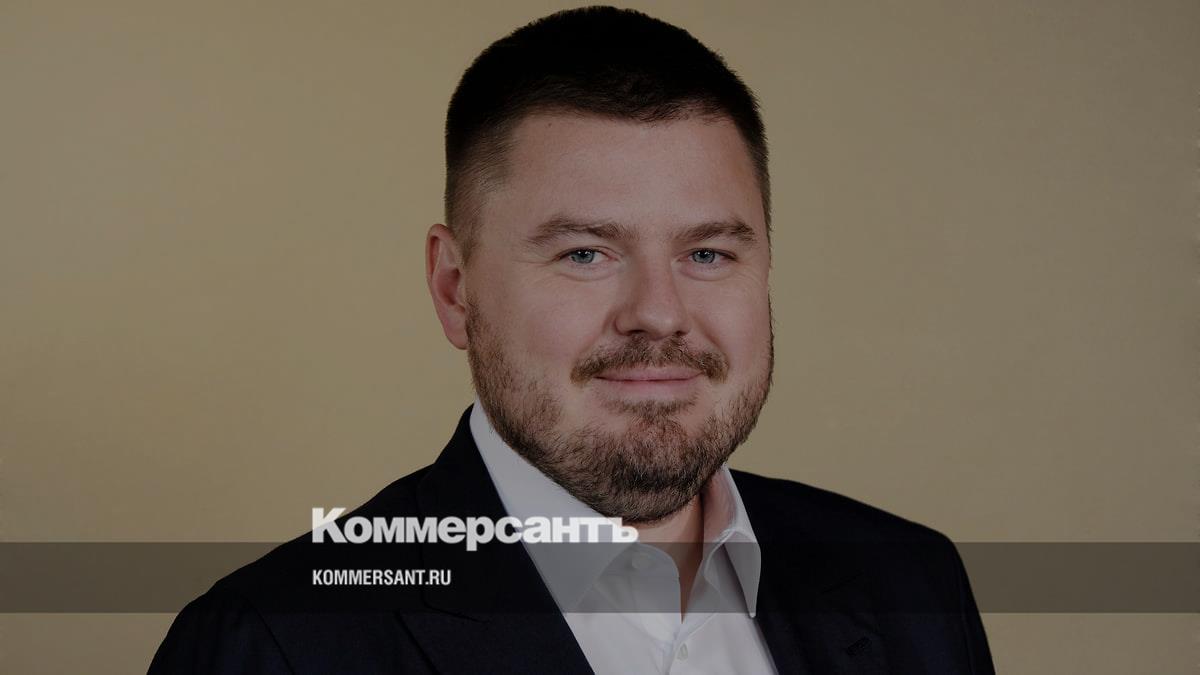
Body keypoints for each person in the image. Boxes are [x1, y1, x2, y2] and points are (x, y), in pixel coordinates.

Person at [150, 6, 994, 673]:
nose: (658, 313)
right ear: (454, 288)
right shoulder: (271, 643)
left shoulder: (911, 585)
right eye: (586, 253)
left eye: (707, 252)